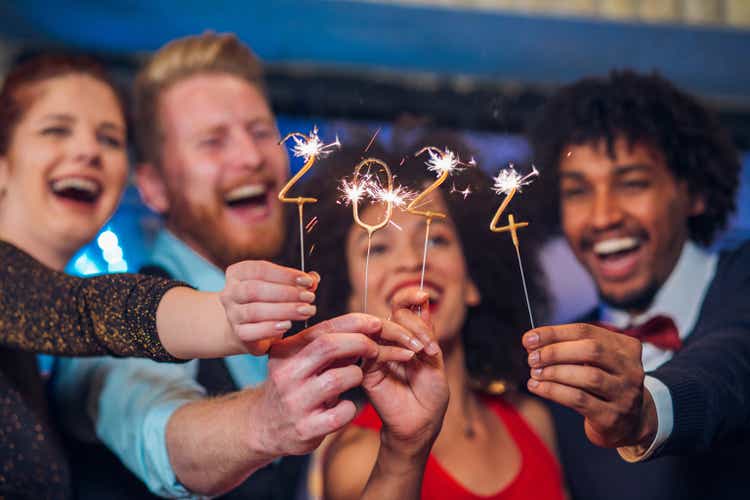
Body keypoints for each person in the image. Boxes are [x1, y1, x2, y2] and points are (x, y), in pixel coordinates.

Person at [52, 33, 433, 499]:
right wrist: (264, 421)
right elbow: (153, 425)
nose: (250, 158)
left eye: (259, 132)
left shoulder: (313, 306)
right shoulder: (113, 317)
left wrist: (404, 445)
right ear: (152, 187)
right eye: (213, 142)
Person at [0, 52, 332, 499]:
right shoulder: (96, 334)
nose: (251, 156)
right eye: (56, 130)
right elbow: (90, 317)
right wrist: (224, 320)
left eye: (110, 139)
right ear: (150, 186)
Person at [524, 70, 749, 499]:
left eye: (631, 183)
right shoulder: (548, 366)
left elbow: (731, 366)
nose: (603, 215)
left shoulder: (743, 279)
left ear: (694, 191)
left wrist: (645, 410)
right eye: (577, 191)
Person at [316, 141, 566, 500]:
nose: (411, 263)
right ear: (354, 301)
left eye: (435, 241)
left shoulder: (533, 421)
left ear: (472, 283)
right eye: (379, 248)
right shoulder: (357, 458)